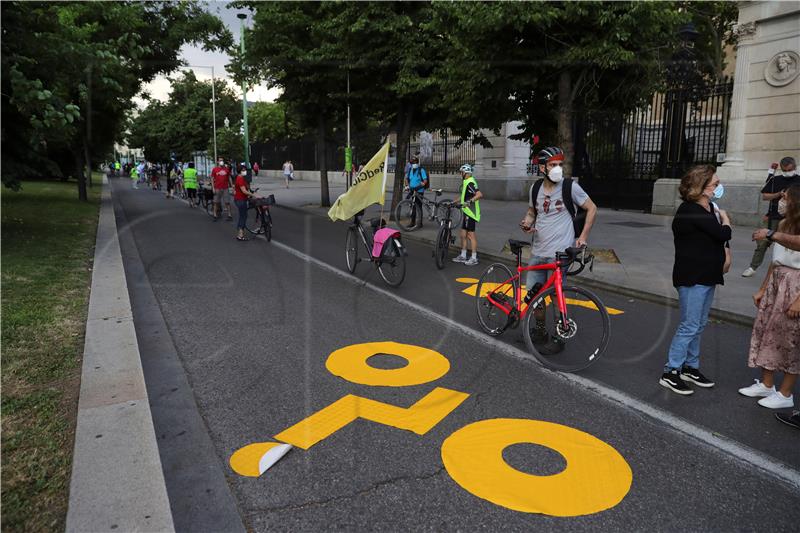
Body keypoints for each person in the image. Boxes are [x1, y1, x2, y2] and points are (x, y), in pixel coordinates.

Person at [659, 165, 731, 395]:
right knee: (689, 325)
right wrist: (726, 220)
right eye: (715, 184)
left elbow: (717, 241)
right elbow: (722, 234)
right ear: (701, 187)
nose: (718, 188)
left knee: (698, 325)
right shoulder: (690, 210)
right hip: (692, 277)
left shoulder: (709, 208)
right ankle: (671, 372)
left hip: (707, 275)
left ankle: (690, 367)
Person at [738, 184, 800, 410]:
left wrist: (799, 300)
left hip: (796, 286)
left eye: (785, 197)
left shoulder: (780, 230)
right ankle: (767, 384)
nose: (781, 201)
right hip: (777, 283)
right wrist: (763, 289)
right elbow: (775, 262)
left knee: (791, 339)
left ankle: (785, 393)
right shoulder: (784, 224)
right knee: (768, 332)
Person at [742, 157, 799, 277]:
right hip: (774, 216)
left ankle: (786, 268)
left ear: (795, 167)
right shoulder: (775, 180)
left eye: (790, 170)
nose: (788, 172)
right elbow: (765, 196)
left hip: (793, 218)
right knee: (762, 242)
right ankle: (753, 267)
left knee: (788, 243)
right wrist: (778, 194)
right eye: (785, 170)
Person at [452, 164, 483, 266]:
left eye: (462, 172)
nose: (461, 174)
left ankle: (474, 258)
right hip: (466, 212)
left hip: (471, 213)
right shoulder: (466, 182)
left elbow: (479, 195)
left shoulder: (470, 182)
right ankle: (463, 255)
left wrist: (469, 202)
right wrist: (453, 202)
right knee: (463, 234)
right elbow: (463, 196)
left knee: (470, 235)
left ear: (466, 173)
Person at [404, 155, 429, 228]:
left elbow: (425, 180)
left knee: (419, 206)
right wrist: (407, 185)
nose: (413, 164)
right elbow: (406, 179)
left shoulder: (421, 170)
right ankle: (412, 222)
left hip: (419, 190)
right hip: (412, 190)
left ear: (417, 162)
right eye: (412, 162)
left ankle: (420, 223)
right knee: (413, 206)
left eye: (415, 162)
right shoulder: (410, 170)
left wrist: (422, 184)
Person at [233, 166, 257, 241]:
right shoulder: (240, 178)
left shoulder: (240, 178)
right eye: (243, 170)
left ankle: (240, 233)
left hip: (240, 199)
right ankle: (240, 234)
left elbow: (237, 188)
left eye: (245, 170)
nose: (245, 171)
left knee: (243, 215)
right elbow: (244, 191)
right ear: (240, 171)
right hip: (241, 200)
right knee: (243, 216)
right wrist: (253, 195)